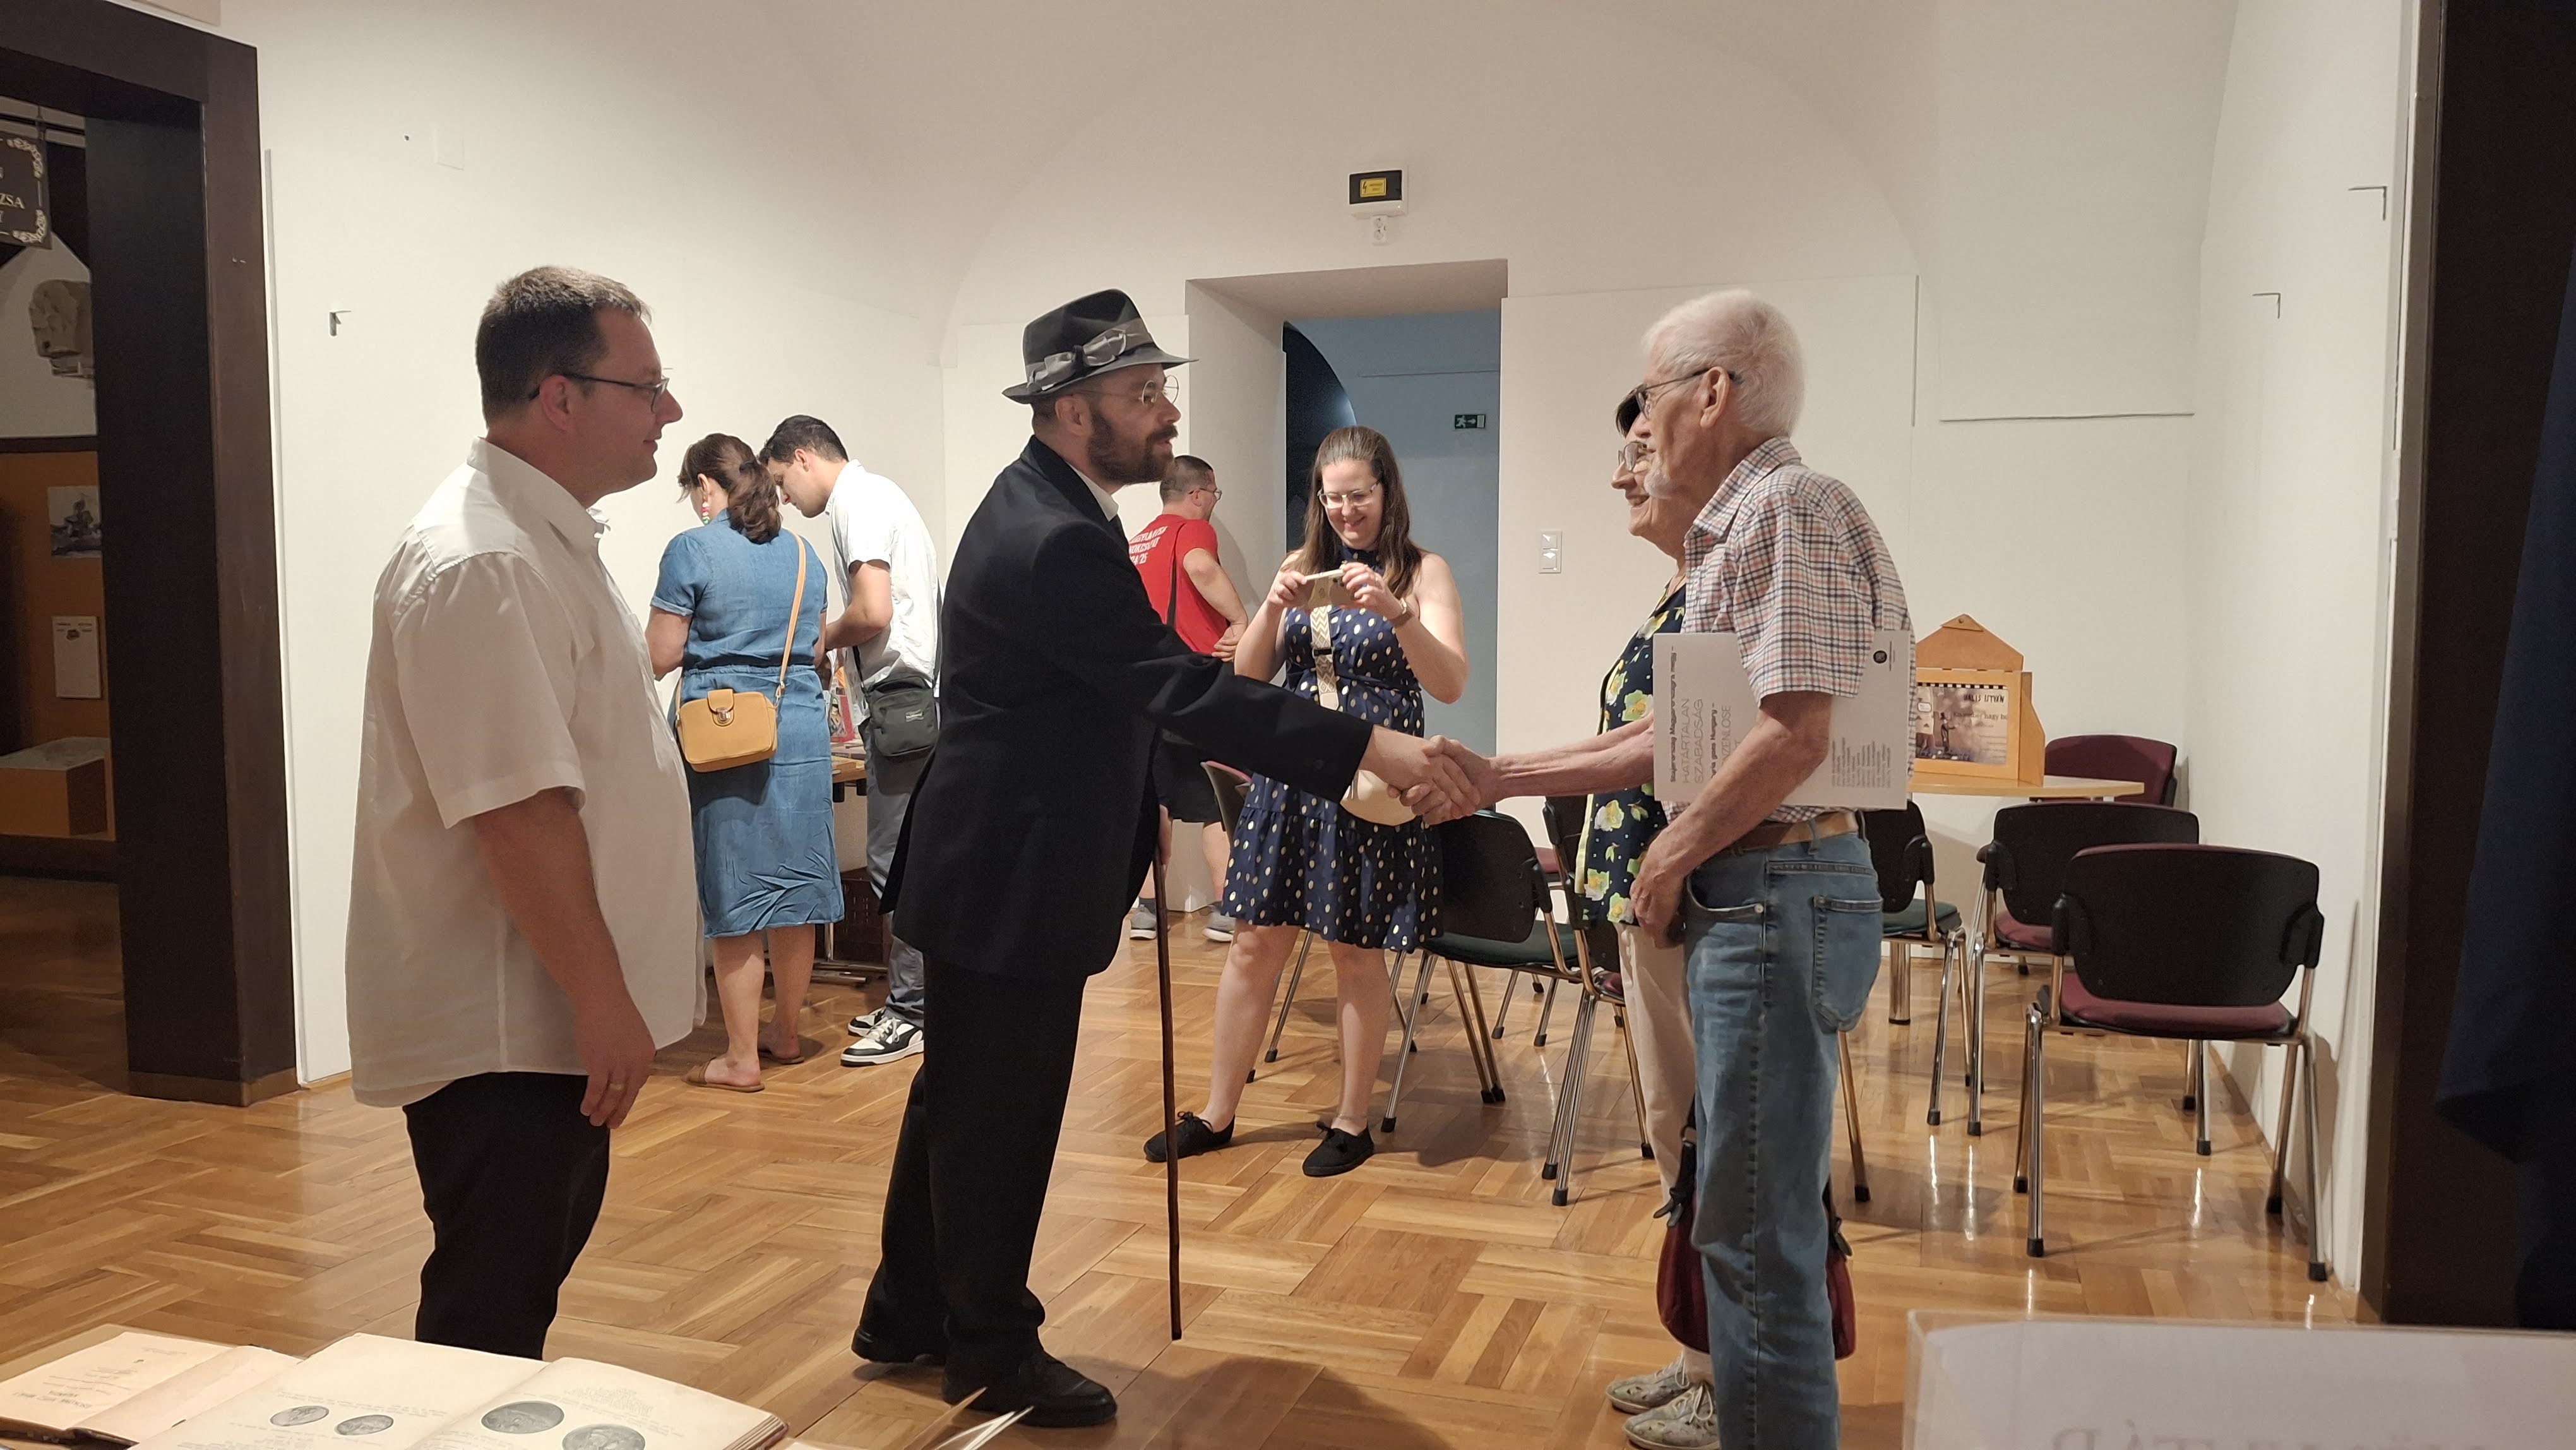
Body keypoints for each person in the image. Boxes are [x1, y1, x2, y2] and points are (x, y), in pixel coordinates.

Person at [853, 289, 1472, 1428]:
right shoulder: (1052, 534)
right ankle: (989, 1348)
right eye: (1144, 394)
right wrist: (1367, 744)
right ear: (1072, 409)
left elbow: (1135, 692)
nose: (1168, 412)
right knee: (998, 1116)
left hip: (997, 864)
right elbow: (1177, 688)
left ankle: (908, 1309)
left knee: (961, 1101)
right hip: (1010, 874)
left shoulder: (1051, 507)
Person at [1436, 289, 1908, 1450]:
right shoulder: (1747, 526)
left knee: (1753, 1233)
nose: (1638, 429)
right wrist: (1500, 776)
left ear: (1714, 391)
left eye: (1650, 395)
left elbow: (1794, 731)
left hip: (1775, 888)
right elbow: (1677, 737)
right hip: (1763, 892)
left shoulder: (1788, 505)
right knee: (1738, 1221)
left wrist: (1672, 849)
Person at [344, 266, 696, 1358]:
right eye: (648, 386)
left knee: (513, 1296)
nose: (671, 410)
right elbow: (518, 811)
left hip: (541, 1020)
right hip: (506, 1030)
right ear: (560, 397)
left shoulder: (542, 540)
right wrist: (603, 997)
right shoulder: (483, 562)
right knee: (487, 1318)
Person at [1143, 425, 1469, 1178]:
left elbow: (1450, 683)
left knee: (1355, 950)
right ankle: (1217, 1112)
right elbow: (1249, 679)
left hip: (1373, 785)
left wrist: (1397, 613)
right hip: (1291, 778)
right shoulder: (1301, 565)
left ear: (1387, 491)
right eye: (1333, 497)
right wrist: (1269, 608)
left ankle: (1353, 1121)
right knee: (1254, 942)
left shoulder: (1423, 571)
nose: (1347, 510)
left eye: (1360, 495)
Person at [1585, 402, 1711, 1449]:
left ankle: (1728, 1370)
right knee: (1675, 1124)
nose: (1622, 477)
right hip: (1652, 894)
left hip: (1698, 898)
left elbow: (1663, 746)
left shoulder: (1720, 586)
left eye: (1639, 455)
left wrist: (1496, 774)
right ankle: (1701, 1348)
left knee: (1712, 1135)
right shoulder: (1678, 585)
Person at [646, 433, 842, 1093]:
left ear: (706, 485)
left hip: (726, 732)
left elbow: (661, 654)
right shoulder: (804, 555)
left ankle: (739, 1058)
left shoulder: (692, 549)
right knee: (796, 889)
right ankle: (784, 1033)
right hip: (800, 729)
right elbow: (813, 648)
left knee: (736, 890)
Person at [762, 416, 941, 1069]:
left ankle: (913, 1012)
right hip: (910, 700)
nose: (785, 499)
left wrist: (818, 641)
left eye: (782, 482)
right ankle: (916, 1001)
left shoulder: (857, 503)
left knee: (895, 863)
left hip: (902, 702)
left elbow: (872, 611)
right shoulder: (880, 495)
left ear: (803, 458)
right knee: (907, 857)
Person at [1124, 454, 1250, 944]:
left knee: (1156, 801)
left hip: (1149, 689)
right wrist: (1239, 620)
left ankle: (1147, 910)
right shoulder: (1192, 531)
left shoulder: (1138, 541)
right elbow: (1199, 566)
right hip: (1199, 684)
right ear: (1198, 494)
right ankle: (1227, 909)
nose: (1214, 502)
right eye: (1214, 494)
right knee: (1219, 796)